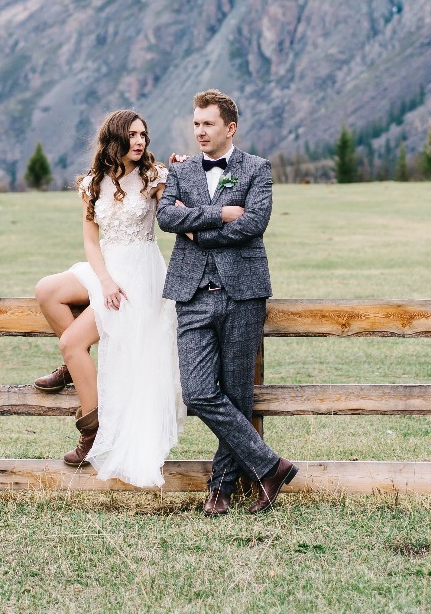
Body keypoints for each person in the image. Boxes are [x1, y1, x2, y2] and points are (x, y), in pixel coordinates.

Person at [157, 89, 297, 515]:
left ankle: (220, 490)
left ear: (229, 128)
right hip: (192, 292)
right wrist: (219, 214)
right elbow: (166, 217)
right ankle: (269, 466)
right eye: (196, 124)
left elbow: (255, 223)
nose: (200, 131)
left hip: (243, 292)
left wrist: (196, 230)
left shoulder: (257, 168)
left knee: (237, 395)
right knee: (198, 392)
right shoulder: (180, 171)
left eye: (208, 124)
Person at [30, 110, 185, 487]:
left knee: (71, 341)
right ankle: (74, 368)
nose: (140, 141)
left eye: (144, 135)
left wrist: (184, 174)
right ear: (114, 139)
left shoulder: (154, 178)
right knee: (46, 289)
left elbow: (178, 212)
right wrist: (104, 279)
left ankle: (91, 431)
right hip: (106, 267)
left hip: (138, 273)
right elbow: (90, 240)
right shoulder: (92, 183)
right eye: (132, 135)